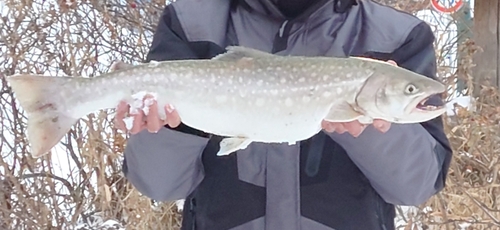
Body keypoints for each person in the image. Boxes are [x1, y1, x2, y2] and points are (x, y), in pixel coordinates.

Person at [115, 0, 453, 229]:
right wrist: (178, 127)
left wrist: (368, 126)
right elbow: (158, 184)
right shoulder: (191, 24)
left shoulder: (396, 37)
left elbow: (416, 186)